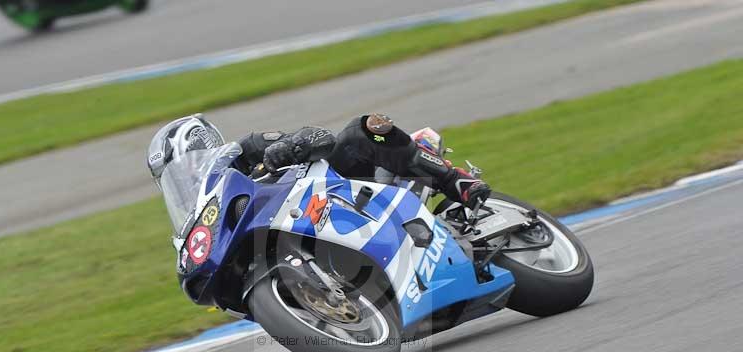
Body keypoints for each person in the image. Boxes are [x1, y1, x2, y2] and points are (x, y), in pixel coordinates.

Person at [147, 113, 490, 210]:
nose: (187, 179)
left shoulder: (246, 149)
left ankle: (453, 180)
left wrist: (289, 147)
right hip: (299, 224)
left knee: (362, 130)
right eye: (175, 179)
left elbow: (318, 138)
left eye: (187, 165)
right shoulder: (205, 213)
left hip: (335, 189)